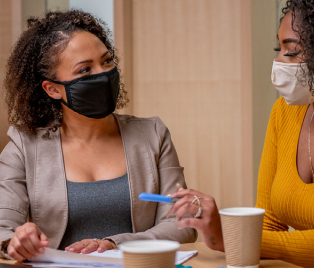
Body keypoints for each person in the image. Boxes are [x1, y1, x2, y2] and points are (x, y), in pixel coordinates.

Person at [169, 0, 314, 267]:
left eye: (290, 52)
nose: (277, 62)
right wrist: (231, 237)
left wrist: (233, 236)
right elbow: (270, 224)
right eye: (278, 49)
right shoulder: (284, 113)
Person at [0, 10, 196, 261]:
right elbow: (3, 228)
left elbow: (182, 223)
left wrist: (114, 244)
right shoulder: (23, 146)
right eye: (84, 70)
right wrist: (15, 241)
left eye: (106, 61)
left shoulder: (153, 134)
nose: (102, 74)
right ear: (53, 89)